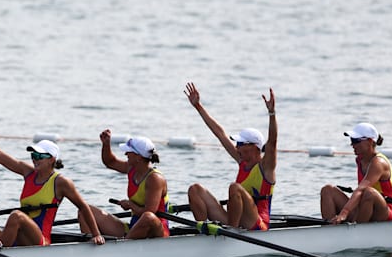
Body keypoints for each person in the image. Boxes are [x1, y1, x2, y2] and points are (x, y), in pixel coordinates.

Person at [0, 101, 105, 246]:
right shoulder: (27, 172)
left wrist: (96, 234)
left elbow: (83, 207)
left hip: (40, 240)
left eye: (40, 156)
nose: (35, 159)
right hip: (18, 236)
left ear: (52, 159)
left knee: (16, 216)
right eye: (33, 155)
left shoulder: (60, 182)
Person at [184, 82, 277, 230]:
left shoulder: (266, 167)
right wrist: (198, 106)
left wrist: (272, 114)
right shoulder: (241, 161)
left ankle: (231, 232)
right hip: (236, 219)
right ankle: (203, 231)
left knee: (235, 188)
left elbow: (272, 143)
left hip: (258, 223)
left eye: (240, 144)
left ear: (254, 147)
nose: (237, 147)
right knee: (195, 190)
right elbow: (219, 133)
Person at [80, 132, 170, 239]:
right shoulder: (131, 169)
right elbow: (110, 162)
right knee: (85, 211)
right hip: (134, 226)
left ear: (138, 157)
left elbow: (149, 212)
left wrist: (130, 205)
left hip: (157, 231)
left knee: (148, 217)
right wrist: (106, 144)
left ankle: (124, 246)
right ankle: (92, 244)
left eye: (129, 152)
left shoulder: (155, 179)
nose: (126, 154)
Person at [320, 122, 392, 224]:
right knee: (327, 190)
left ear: (370, 141)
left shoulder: (379, 163)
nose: (352, 145)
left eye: (356, 141)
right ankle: (330, 227)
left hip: (386, 212)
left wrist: (344, 213)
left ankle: (357, 229)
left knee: (369, 193)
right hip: (365, 207)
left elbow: (361, 189)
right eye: (351, 140)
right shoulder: (360, 159)